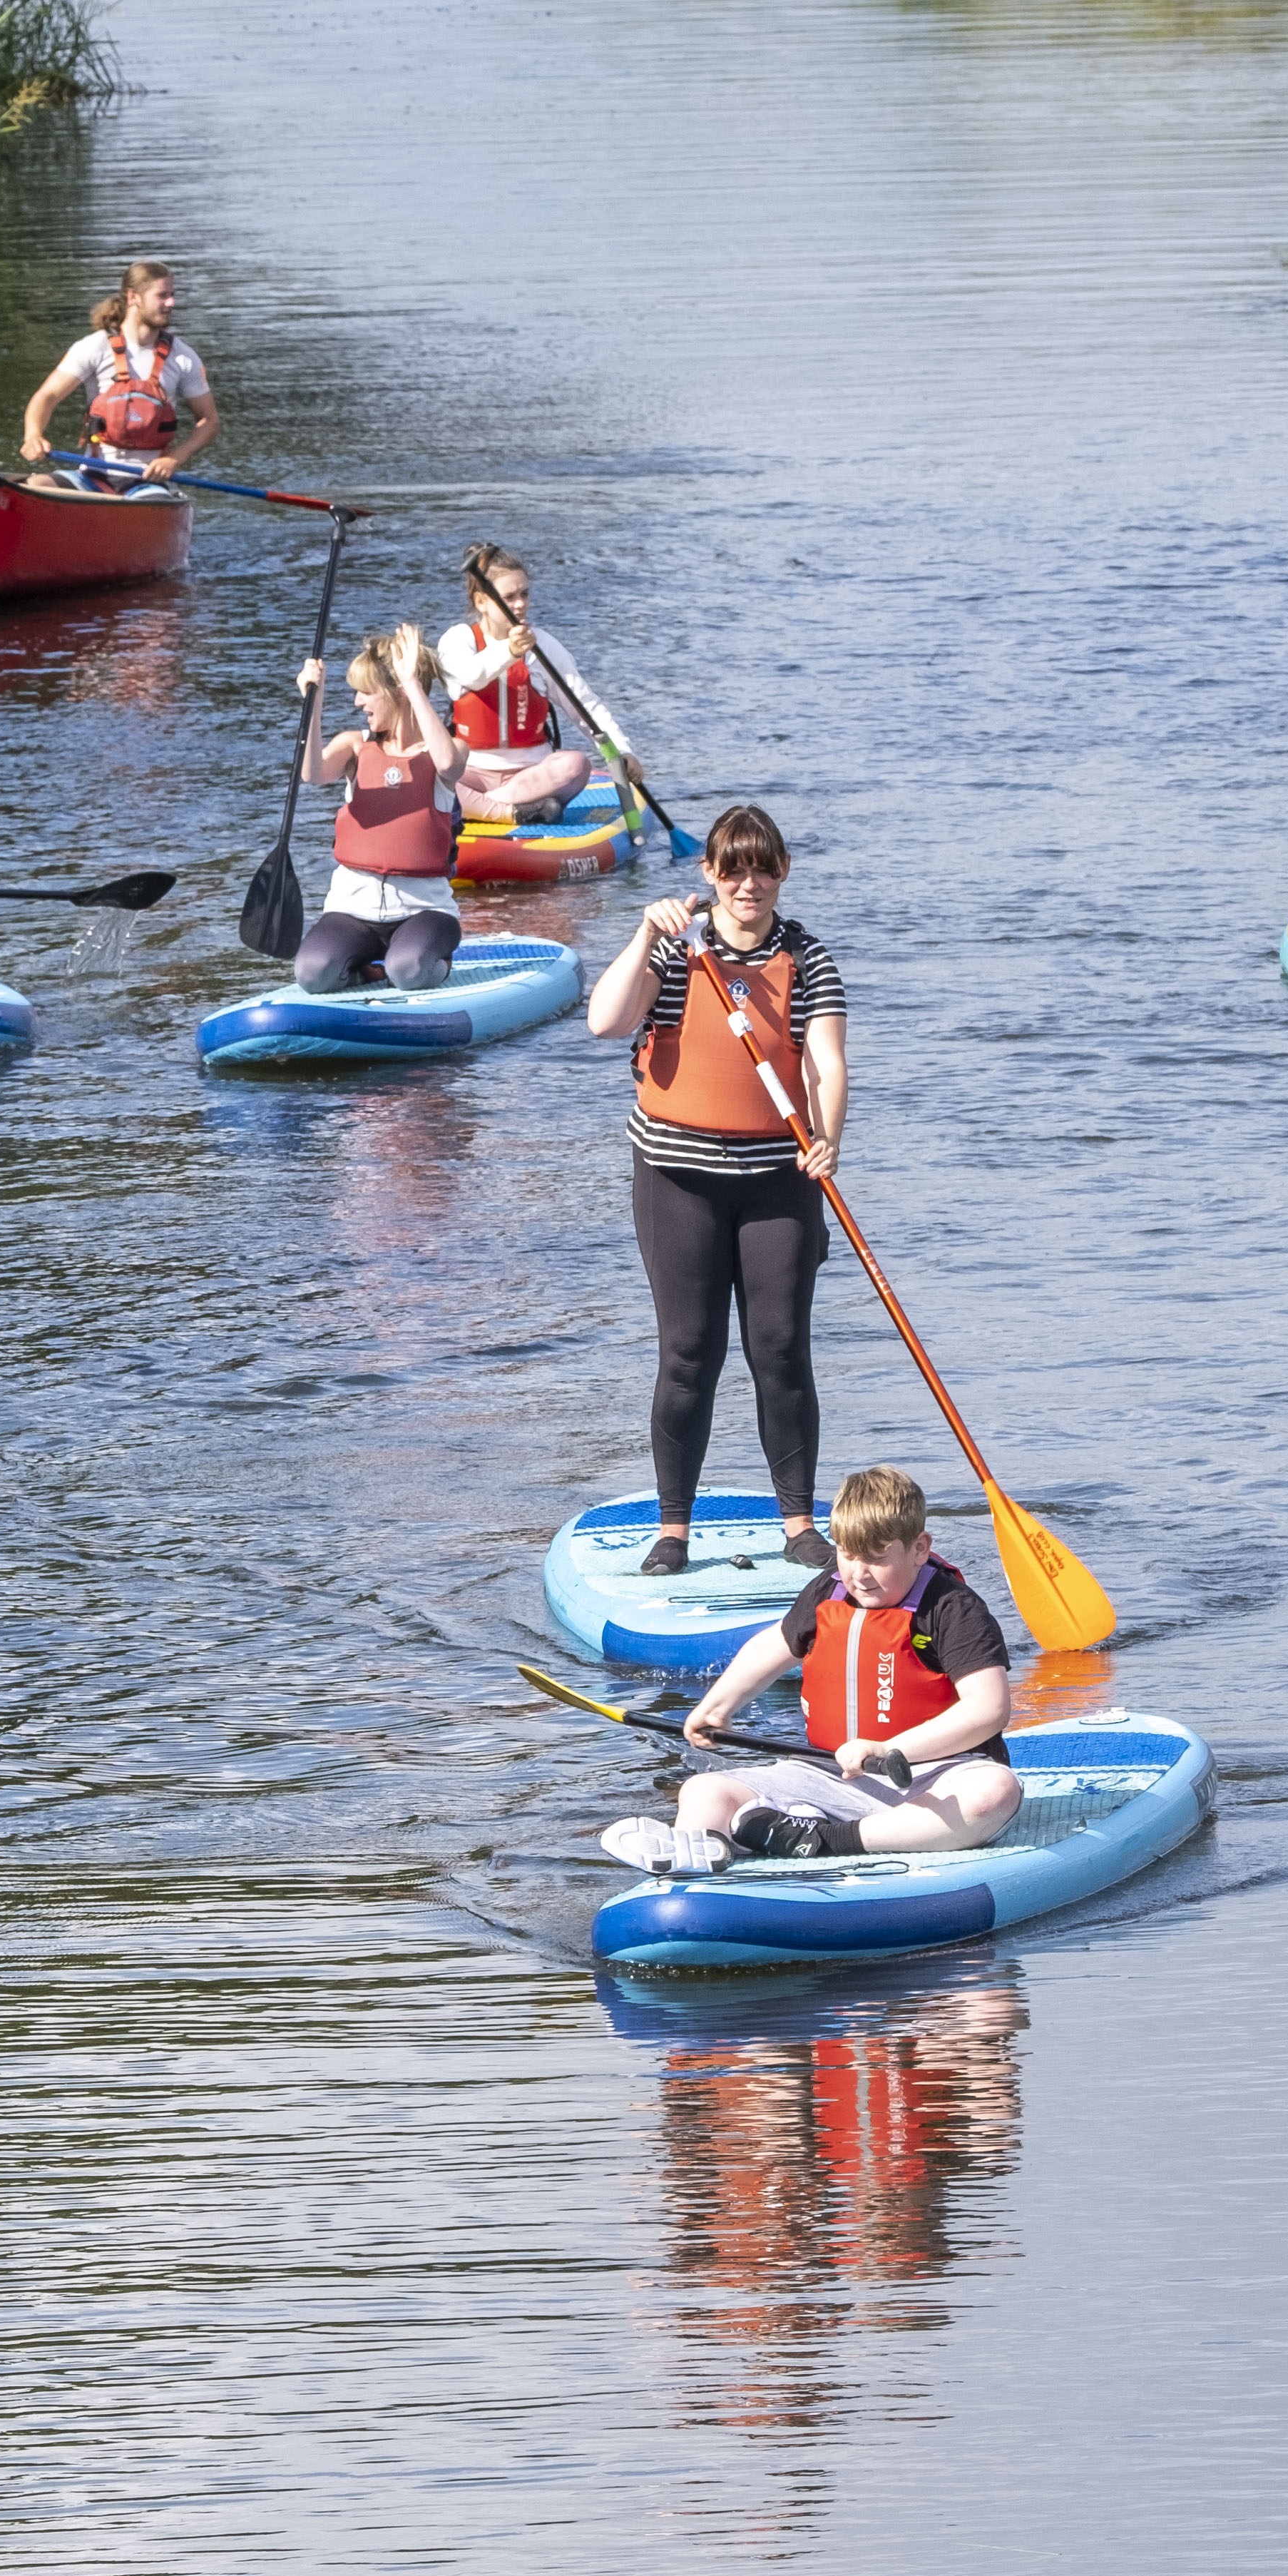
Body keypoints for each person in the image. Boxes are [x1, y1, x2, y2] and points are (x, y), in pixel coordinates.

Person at [583, 804, 845, 1577]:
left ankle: (799, 1523)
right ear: (711, 874)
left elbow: (826, 1063)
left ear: (781, 873)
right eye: (734, 868)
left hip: (779, 1180)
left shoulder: (810, 958)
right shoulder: (675, 951)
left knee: (781, 1351)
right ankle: (673, 1531)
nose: (748, 883)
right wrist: (643, 935)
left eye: (763, 868)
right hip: (676, 1177)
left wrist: (829, 1136)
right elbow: (604, 1022)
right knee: (689, 1354)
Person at [595, 1467, 1020, 1874]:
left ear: (920, 1548)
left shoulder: (953, 1609)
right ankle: (699, 1851)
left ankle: (824, 1840)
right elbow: (774, 1645)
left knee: (993, 1795)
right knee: (705, 1790)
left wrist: (892, 1750)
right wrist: (716, 1707)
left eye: (877, 1558)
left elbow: (988, 1709)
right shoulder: (828, 1590)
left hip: (933, 1776)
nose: (860, 1574)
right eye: (848, 1555)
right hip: (830, 1772)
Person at [291, 623, 469, 993]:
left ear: (398, 693)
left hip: (425, 912)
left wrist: (413, 685)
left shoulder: (444, 752)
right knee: (311, 975)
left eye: (366, 692)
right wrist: (314, 699)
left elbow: (450, 764)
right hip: (352, 911)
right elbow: (310, 773)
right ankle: (366, 973)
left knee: (408, 970)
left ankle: (429, 966)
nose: (357, 702)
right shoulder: (355, 747)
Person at [433, 542, 596, 822]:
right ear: (480, 601)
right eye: (509, 597)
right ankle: (513, 812)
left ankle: (477, 810)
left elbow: (584, 705)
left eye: (525, 594)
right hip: (470, 772)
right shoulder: (458, 640)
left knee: (577, 765)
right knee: (425, 770)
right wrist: (510, 650)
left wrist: (622, 752)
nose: (520, 604)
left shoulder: (543, 645)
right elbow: (473, 675)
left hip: (531, 775)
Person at [19, 260, 217, 489]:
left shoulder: (183, 357)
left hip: (150, 482)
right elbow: (47, 396)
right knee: (36, 484)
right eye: (162, 296)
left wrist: (175, 458)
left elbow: (210, 420)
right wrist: (33, 436)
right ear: (133, 297)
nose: (171, 303)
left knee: (148, 503)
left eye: (172, 295)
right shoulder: (94, 347)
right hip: (94, 475)